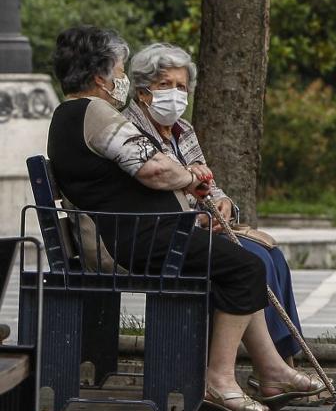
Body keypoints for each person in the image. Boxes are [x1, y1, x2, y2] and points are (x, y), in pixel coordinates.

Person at [46, 26, 324, 411]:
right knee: (245, 265)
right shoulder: (94, 112)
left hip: (134, 235)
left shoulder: (71, 114)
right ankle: (219, 380)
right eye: (120, 70)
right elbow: (155, 170)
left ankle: (272, 370)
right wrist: (193, 176)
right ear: (100, 78)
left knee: (241, 261)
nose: (121, 79)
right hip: (131, 243)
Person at [122, 43, 308, 385]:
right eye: (166, 86)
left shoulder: (184, 130)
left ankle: (279, 364)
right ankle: (270, 371)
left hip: (202, 228)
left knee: (273, 257)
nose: (176, 95)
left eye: (181, 87)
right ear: (143, 89)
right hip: (170, 234)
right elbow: (158, 191)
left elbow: (211, 186)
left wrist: (224, 206)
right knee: (253, 261)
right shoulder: (130, 132)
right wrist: (200, 216)